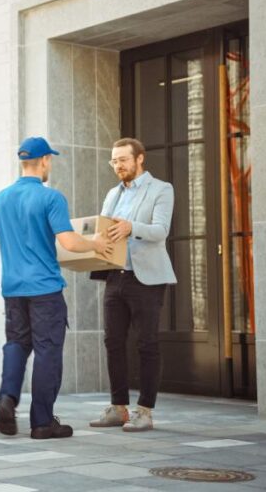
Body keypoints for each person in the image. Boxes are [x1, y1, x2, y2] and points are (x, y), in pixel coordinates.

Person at [0, 136, 113, 439]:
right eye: (50, 160)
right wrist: (96, 243)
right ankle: (43, 422)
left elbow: (9, 240)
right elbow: (70, 241)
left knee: (16, 344)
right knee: (47, 351)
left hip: (12, 288)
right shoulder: (51, 198)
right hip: (44, 288)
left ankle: (7, 398)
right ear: (45, 160)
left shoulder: (0, 199)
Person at [88, 138, 176, 432]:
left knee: (146, 343)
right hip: (116, 275)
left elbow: (161, 231)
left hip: (147, 278)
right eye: (114, 161)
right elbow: (105, 230)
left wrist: (130, 228)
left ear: (140, 159)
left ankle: (145, 411)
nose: (118, 166)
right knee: (113, 342)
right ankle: (118, 408)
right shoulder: (112, 194)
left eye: (123, 160)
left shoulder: (161, 189)